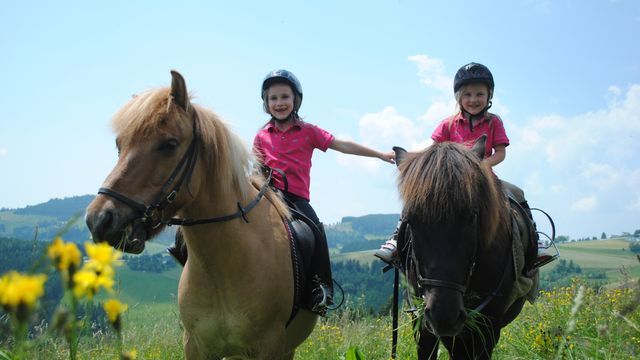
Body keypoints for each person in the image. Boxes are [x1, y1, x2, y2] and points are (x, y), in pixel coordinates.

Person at [374, 62, 553, 266]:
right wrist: (411, 157)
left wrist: (481, 166)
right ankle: (397, 240)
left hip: (483, 176)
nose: (473, 99)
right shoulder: (448, 124)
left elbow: (501, 153)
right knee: (418, 197)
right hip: (449, 181)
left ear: (489, 96)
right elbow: (433, 151)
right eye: (467, 94)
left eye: (479, 94)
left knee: (517, 193)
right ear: (459, 97)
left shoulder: (494, 122)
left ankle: (535, 244)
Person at [254, 69, 395, 315]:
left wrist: (380, 154)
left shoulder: (307, 131)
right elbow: (256, 169)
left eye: (284, 97)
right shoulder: (261, 136)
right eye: (273, 98)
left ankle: (322, 288)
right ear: (266, 103)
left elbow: (342, 145)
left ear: (295, 100)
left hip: (295, 198)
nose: (279, 103)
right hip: (268, 195)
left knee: (316, 229)